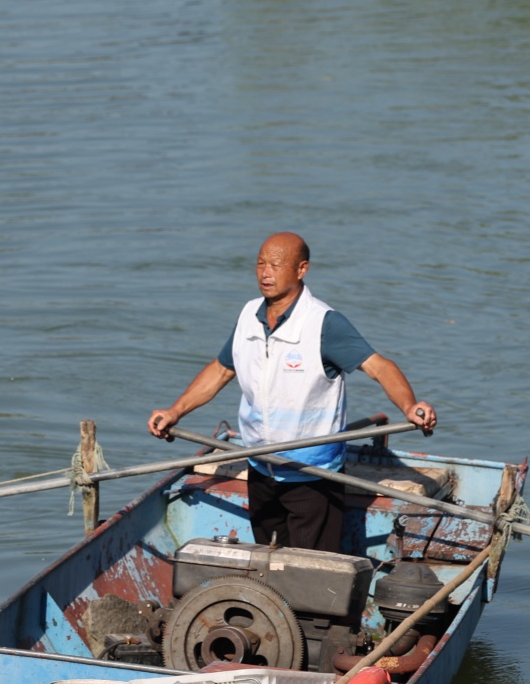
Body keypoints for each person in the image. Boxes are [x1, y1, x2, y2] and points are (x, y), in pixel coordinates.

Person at [147, 233, 438, 554]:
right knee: (269, 565)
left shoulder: (323, 324)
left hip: (312, 476)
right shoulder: (248, 316)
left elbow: (381, 368)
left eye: (275, 265)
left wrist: (410, 406)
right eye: (260, 263)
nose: (265, 273)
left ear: (301, 270)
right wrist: (175, 411)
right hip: (260, 467)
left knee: (309, 571)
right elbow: (220, 370)